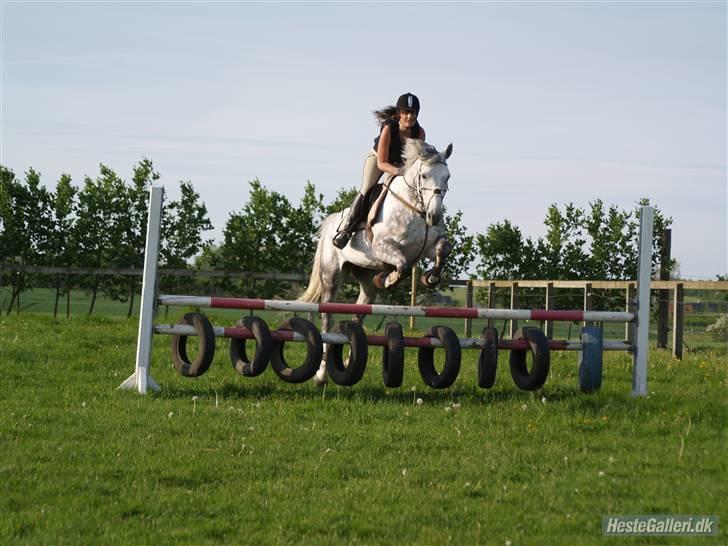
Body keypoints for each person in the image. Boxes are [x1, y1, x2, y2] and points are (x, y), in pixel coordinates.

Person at [332, 92, 426, 249]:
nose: (409, 116)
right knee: (367, 188)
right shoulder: (389, 128)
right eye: (405, 112)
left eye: (412, 112)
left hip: (400, 163)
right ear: (399, 113)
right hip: (378, 159)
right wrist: (399, 172)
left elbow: (416, 161)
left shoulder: (419, 133)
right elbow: (382, 163)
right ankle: (346, 229)